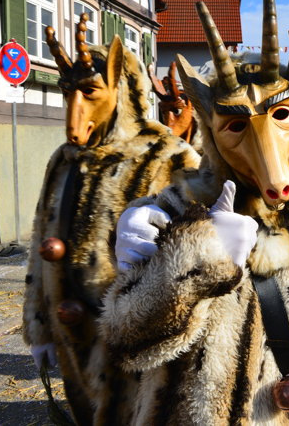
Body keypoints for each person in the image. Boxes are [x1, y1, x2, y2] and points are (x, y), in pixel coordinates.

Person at [105, 0, 289, 423]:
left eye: (283, 114)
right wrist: (190, 260)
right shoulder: (175, 214)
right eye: (235, 127)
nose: (267, 153)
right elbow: (126, 338)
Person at [22, 21, 200, 423]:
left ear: (119, 87)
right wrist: (39, 324)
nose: (74, 114)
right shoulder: (63, 160)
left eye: (89, 93)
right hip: (72, 335)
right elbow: (41, 240)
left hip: (137, 341)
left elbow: (199, 255)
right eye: (68, 93)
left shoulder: (169, 156)